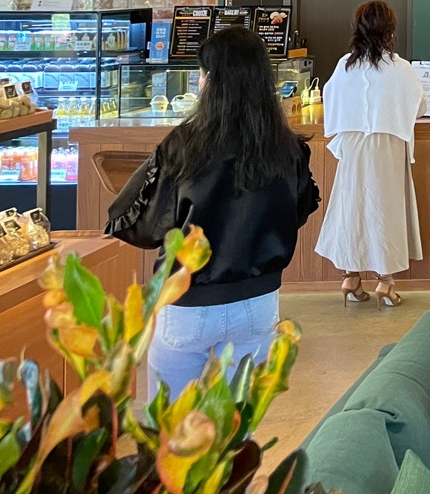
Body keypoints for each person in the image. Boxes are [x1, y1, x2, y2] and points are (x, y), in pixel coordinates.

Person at [106, 27, 319, 399]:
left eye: (203, 72)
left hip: (187, 301)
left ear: (211, 81)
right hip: (258, 301)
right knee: (235, 424)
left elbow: (143, 222)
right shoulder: (288, 148)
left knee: (171, 423)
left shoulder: (183, 144)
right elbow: (299, 210)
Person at [315, 0, 426, 309]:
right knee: (385, 209)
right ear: (390, 30)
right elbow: (419, 107)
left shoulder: (345, 65)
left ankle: (350, 277)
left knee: (352, 207)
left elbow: (330, 99)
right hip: (387, 144)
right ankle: (385, 282)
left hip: (352, 145)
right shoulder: (400, 68)